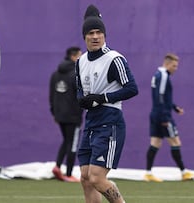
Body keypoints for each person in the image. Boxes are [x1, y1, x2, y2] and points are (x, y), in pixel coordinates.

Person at [76, 5, 138, 203]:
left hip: (110, 121)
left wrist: (102, 98)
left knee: (97, 177)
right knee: (85, 178)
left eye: (99, 32)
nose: (95, 36)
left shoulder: (114, 59)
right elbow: (80, 89)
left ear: (104, 35)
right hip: (91, 123)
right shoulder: (81, 61)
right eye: (91, 33)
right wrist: (82, 99)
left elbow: (132, 88)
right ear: (84, 36)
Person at [144, 53, 194, 182]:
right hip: (162, 116)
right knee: (176, 142)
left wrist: (174, 107)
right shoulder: (163, 76)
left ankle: (148, 173)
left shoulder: (157, 75)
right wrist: (165, 118)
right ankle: (184, 172)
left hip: (155, 114)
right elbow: (160, 97)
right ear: (166, 64)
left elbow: (162, 97)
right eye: (174, 66)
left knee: (155, 143)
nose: (175, 68)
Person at [49, 46, 83, 182]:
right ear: (74, 57)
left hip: (60, 115)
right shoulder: (76, 74)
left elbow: (51, 96)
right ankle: (69, 174)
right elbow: (80, 96)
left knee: (66, 141)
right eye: (80, 56)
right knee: (72, 144)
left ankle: (57, 166)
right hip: (73, 116)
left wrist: (54, 113)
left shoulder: (55, 74)